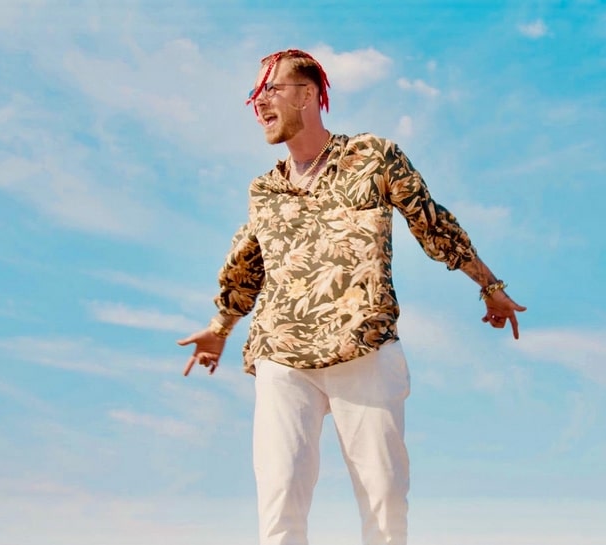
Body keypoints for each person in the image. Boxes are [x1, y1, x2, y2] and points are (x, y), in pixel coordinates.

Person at [177, 48, 526, 545]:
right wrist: (220, 328)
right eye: (254, 94)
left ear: (308, 94)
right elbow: (246, 265)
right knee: (279, 504)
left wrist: (489, 286)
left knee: (384, 505)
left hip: (364, 348)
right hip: (282, 356)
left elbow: (431, 223)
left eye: (270, 89)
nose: (259, 103)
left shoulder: (372, 156)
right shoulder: (265, 191)